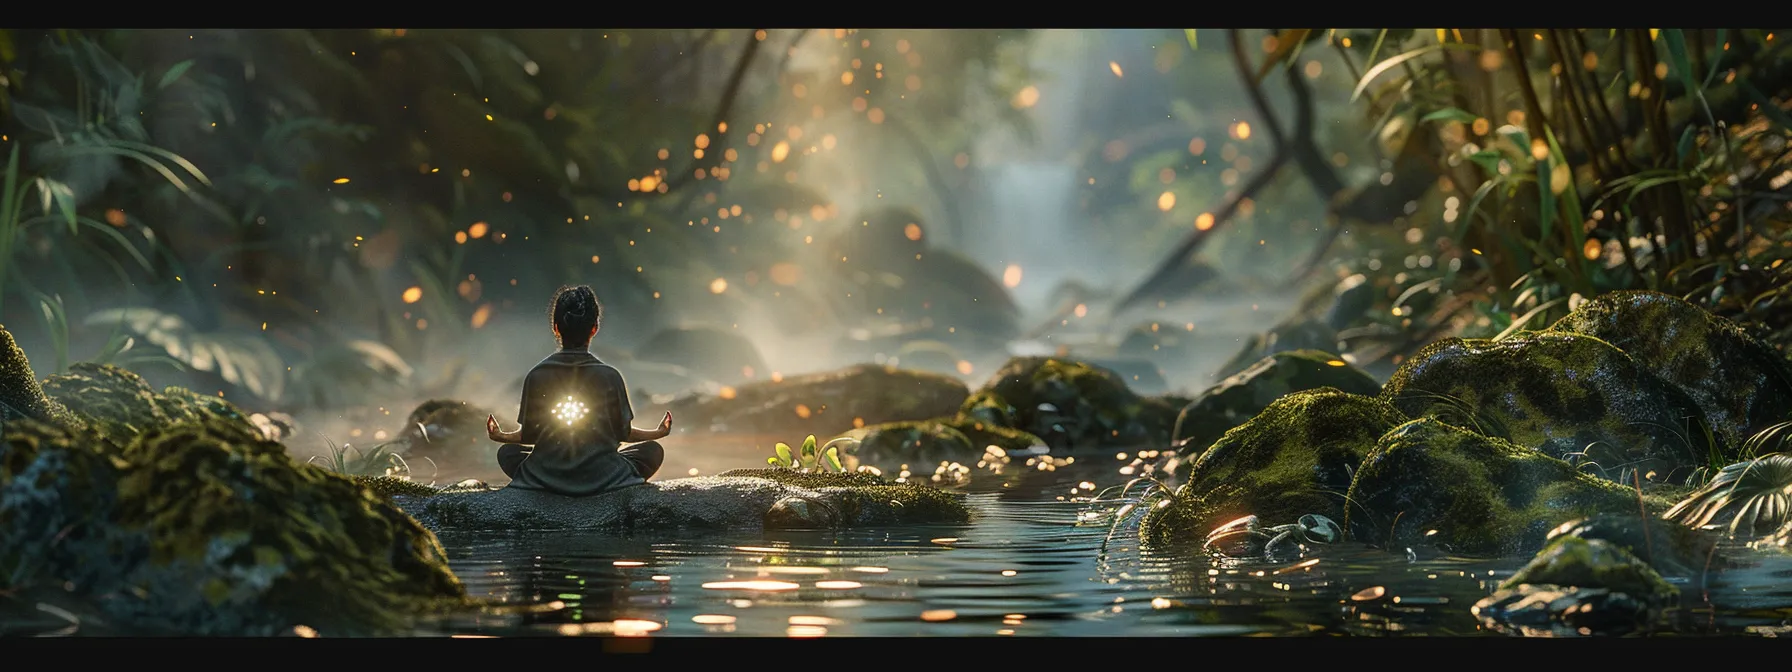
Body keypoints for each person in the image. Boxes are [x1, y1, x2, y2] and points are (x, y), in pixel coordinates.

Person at [486, 285, 672, 497]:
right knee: (652, 451)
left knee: (508, 454)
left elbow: (530, 435)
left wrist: (501, 436)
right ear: (594, 328)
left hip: (545, 477)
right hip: (604, 477)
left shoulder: (537, 375)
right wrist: (659, 433)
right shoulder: (609, 375)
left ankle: (548, 482)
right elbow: (624, 433)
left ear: (556, 328)